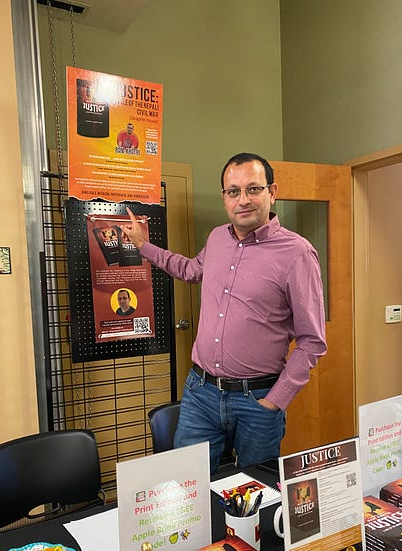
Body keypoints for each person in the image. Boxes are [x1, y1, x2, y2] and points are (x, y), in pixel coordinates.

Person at [121, 152, 326, 474]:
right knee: (187, 484)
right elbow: (189, 269)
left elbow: (313, 341)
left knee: (256, 491)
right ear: (224, 198)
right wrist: (144, 247)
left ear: (272, 192)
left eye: (253, 189)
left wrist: (274, 402)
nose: (243, 200)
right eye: (234, 191)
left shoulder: (297, 253)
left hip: (257, 399)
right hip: (200, 393)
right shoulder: (217, 238)